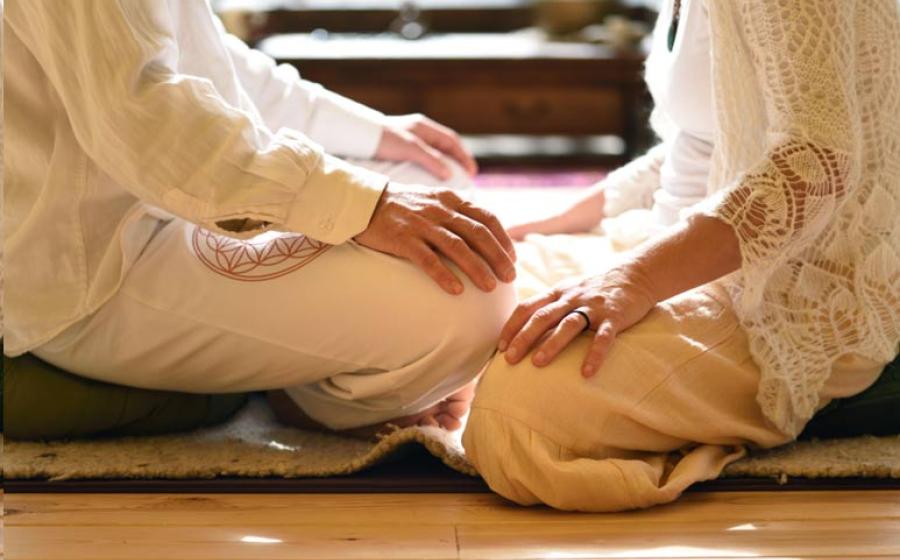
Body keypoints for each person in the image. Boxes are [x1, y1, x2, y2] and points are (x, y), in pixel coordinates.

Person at [463, 0, 900, 511]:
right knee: (464, 287)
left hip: (794, 290)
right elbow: (702, 140)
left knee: (515, 421)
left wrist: (636, 280)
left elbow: (817, 161)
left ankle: (860, 393)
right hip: (670, 244)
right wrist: (560, 217)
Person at [3, 0, 517, 434]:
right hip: (106, 261)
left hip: (181, 204)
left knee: (435, 178)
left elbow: (210, 60)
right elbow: (149, 120)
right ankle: (308, 396)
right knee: (471, 298)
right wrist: (368, 205)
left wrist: (374, 133)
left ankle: (328, 364)